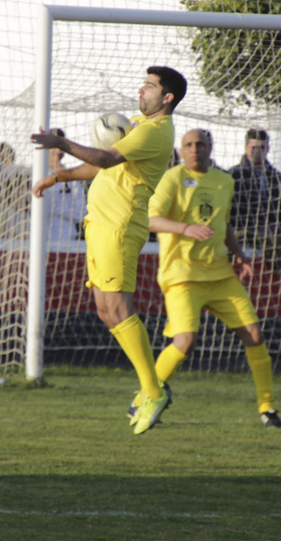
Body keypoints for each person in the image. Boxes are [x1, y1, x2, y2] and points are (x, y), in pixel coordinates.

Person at [31, 65, 187, 435]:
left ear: (167, 98)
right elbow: (102, 170)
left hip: (119, 229)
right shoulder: (135, 123)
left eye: (149, 86)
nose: (141, 89)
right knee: (105, 310)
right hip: (99, 226)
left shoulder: (155, 131)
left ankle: (153, 391)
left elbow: (105, 160)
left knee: (118, 308)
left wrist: (61, 144)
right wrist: (58, 176)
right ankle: (151, 387)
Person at [146, 129, 281, 427]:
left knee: (255, 335)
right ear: (181, 151)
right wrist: (184, 228)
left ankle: (268, 408)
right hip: (182, 275)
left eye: (200, 144)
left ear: (210, 148)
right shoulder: (172, 178)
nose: (195, 149)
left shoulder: (224, 181)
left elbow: (224, 223)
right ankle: (144, 398)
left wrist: (240, 255)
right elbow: (150, 218)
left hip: (221, 274)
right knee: (185, 342)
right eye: (189, 145)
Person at [227, 128, 281, 244]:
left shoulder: (277, 179)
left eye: (262, 147)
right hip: (243, 238)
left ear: (268, 149)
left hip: (272, 240)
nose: (258, 152)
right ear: (246, 148)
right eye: (253, 148)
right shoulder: (234, 175)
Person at [43, 138, 87, 242]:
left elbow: (82, 213)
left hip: (67, 241)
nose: (58, 151)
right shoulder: (34, 174)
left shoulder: (72, 177)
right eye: (54, 146)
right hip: (37, 240)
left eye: (60, 146)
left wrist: (54, 208)